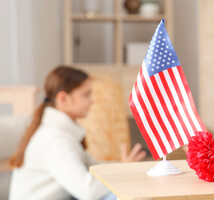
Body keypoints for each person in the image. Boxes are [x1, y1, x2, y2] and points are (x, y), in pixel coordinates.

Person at [9, 66, 147, 200]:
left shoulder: (62, 133)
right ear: (63, 99)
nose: (92, 100)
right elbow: (89, 191)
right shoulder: (56, 140)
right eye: (86, 94)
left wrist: (122, 168)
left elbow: (91, 165)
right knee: (124, 195)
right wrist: (122, 173)